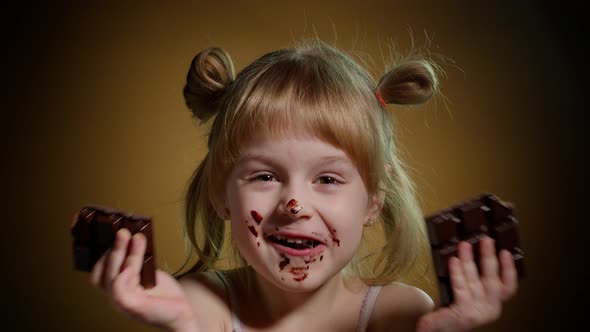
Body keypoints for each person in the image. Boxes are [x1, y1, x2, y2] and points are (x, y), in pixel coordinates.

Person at [90, 38, 518, 332]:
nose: (294, 203)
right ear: (221, 192)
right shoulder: (204, 306)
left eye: (328, 178)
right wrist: (181, 325)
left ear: (372, 200)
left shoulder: (399, 315)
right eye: (265, 176)